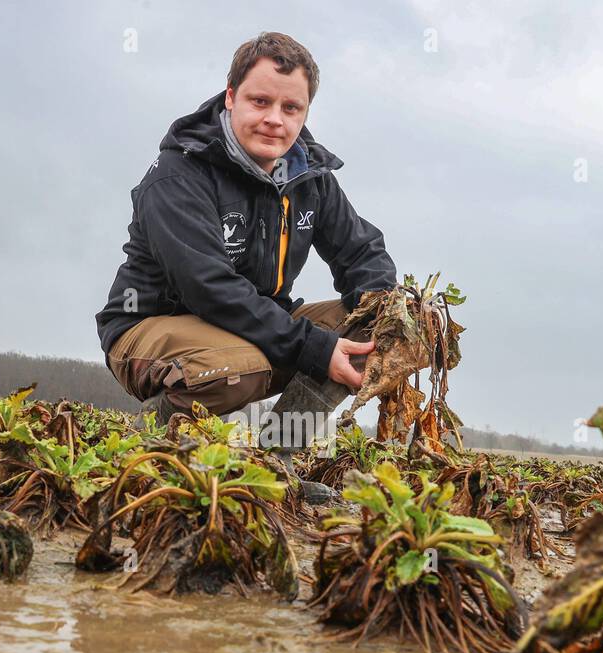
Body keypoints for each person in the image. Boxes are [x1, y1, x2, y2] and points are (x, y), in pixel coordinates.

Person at [94, 31, 397, 437]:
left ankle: (282, 447)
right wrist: (311, 347)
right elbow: (209, 287)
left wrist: (383, 310)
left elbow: (361, 252)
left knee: (377, 329)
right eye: (260, 101)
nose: (276, 119)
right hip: (148, 328)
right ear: (231, 96)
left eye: (291, 107)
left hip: (248, 328)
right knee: (244, 369)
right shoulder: (178, 174)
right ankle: (145, 437)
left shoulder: (309, 176)